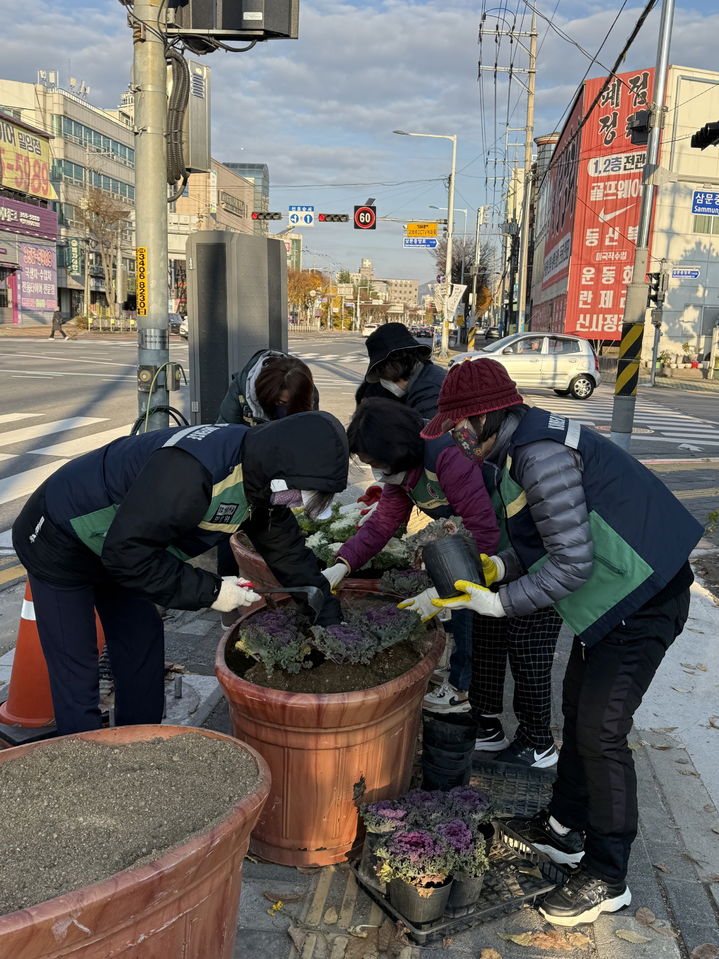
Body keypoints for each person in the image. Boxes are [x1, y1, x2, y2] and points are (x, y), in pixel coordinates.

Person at [421, 357, 701, 926]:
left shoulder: (539, 454)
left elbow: (572, 562)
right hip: (616, 599)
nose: (457, 439)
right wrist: (495, 568)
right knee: (579, 712)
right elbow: (546, 536)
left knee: (601, 733)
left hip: (644, 598)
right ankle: (562, 829)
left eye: (460, 426)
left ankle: (608, 874)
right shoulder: (520, 446)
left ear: (490, 414)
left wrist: (498, 603)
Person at [12, 413, 348, 736]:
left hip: (124, 544)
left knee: (140, 641)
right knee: (77, 670)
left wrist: (328, 619)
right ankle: (84, 767)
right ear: (282, 472)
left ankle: (140, 742)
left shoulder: (261, 478)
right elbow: (127, 553)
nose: (297, 504)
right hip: (59, 538)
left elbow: (288, 553)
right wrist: (213, 591)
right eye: (300, 494)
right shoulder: (191, 473)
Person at [322, 398, 499, 713]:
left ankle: (462, 691)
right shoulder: (402, 472)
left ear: (393, 450)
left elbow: (483, 533)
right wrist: (342, 563)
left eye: (375, 462)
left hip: (497, 538)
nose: (376, 472)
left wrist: (444, 588)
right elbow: (381, 525)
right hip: (461, 537)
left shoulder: (446, 456)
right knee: (457, 606)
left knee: (467, 613)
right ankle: (461, 675)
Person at [214, 349, 320, 614]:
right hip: (242, 468)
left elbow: (309, 437)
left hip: (277, 470)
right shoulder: (240, 393)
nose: (284, 409)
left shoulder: (306, 391)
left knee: (280, 531)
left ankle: (289, 595)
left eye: (290, 404)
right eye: (280, 403)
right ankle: (228, 594)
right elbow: (224, 441)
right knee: (229, 528)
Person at [362, 322, 445, 419]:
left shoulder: (429, 393)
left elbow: (424, 432)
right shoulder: (426, 376)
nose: (382, 381)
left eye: (381, 375)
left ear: (390, 369)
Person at [217, 349, 318, 425]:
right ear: (266, 392)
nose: (284, 408)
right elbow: (224, 436)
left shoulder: (309, 393)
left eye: (292, 403)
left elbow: (309, 432)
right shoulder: (240, 390)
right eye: (281, 402)